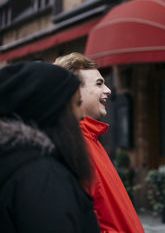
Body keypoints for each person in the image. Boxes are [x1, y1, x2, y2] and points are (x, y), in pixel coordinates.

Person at [0, 61, 99, 233]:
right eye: (76, 104)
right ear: (50, 110)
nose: (81, 115)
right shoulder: (43, 177)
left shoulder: (16, 163)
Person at [54, 53, 144, 233]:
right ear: (76, 92)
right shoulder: (73, 144)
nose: (108, 90)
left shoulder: (89, 138)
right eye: (99, 83)